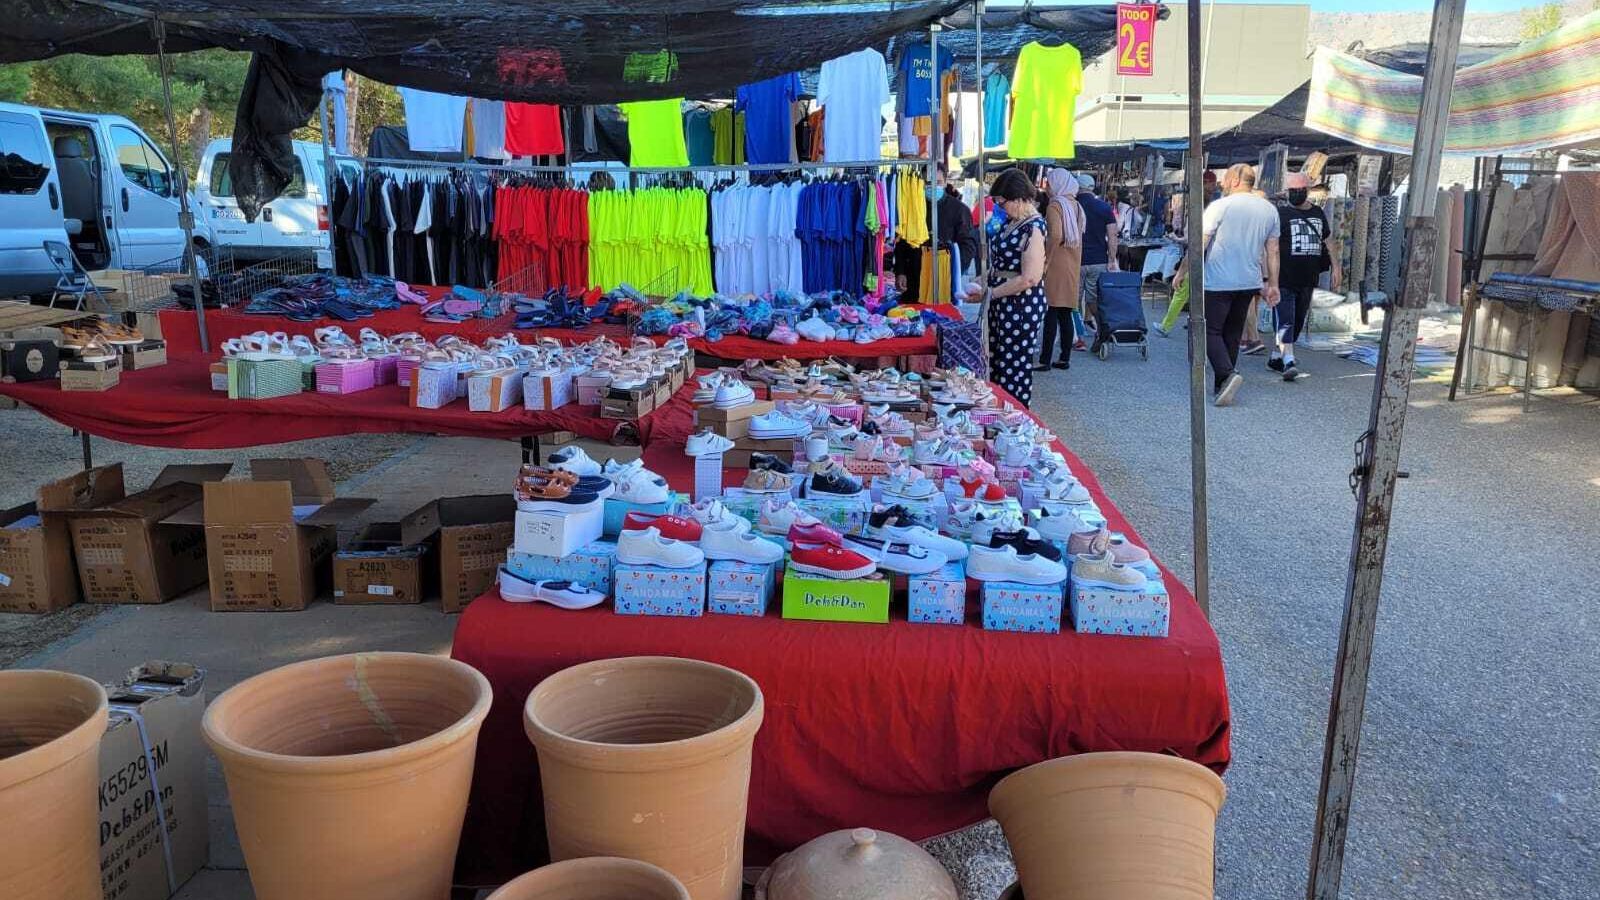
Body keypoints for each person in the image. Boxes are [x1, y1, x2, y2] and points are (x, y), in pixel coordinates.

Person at [1201, 163, 1280, 406]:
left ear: (1235, 179)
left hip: (1218, 279)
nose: (1222, 182)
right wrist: (1272, 284)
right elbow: (1273, 250)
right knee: (1233, 332)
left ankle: (1227, 374)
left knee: (1210, 331)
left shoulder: (1220, 206)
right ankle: (1221, 385)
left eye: (1225, 178)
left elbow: (1201, 241)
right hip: (1249, 280)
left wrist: (1184, 271)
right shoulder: (1269, 210)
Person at [982, 168, 1049, 407]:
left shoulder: (1034, 227)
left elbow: (1029, 278)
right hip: (1002, 303)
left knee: (1013, 366)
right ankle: (999, 413)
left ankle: (1016, 416)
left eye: (1002, 201)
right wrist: (983, 285)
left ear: (1019, 198)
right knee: (998, 362)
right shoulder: (1012, 223)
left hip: (1020, 306)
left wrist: (991, 293)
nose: (1000, 206)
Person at [1272, 172, 1335, 381]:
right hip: (1284, 276)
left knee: (1299, 318)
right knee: (1286, 318)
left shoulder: (1317, 212)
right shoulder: (1281, 213)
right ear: (1287, 192)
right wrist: (1268, 275)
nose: (1296, 194)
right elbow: (1270, 246)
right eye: (1293, 191)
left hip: (1308, 276)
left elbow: (1328, 239)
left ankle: (1276, 356)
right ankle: (1288, 358)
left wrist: (1337, 267)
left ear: (1307, 191)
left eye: (1300, 190)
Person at [1038, 168, 1085, 371]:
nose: (1047, 187)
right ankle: (1064, 358)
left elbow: (1055, 235)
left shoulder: (1055, 206)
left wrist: (1046, 260)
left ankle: (1045, 360)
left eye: (1049, 183)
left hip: (1056, 263)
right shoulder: (1076, 205)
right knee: (1065, 312)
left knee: (1051, 312)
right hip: (1073, 262)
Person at [1076, 174, 1118, 344]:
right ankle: (1102, 329)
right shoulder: (1104, 207)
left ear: (1078, 187)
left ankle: (1077, 335)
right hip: (1099, 259)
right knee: (1093, 298)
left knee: (1074, 298)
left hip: (1076, 260)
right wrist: (1111, 259)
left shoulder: (1073, 206)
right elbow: (1113, 235)